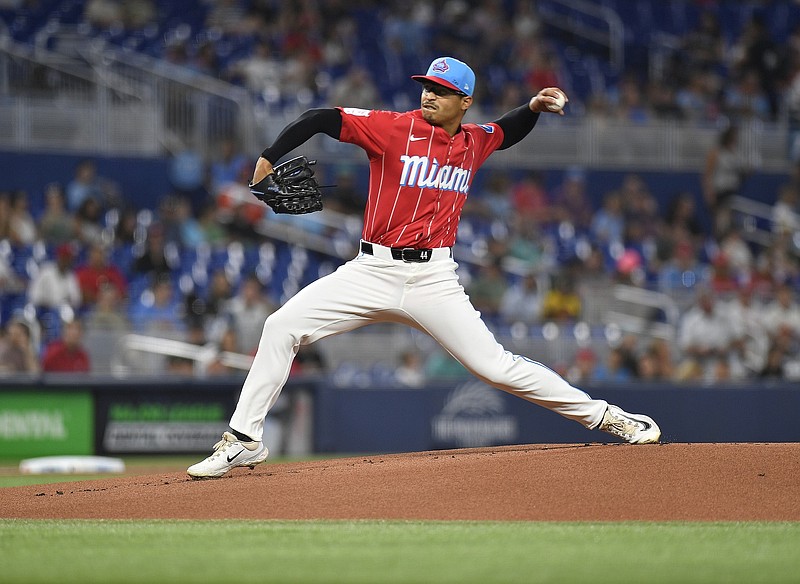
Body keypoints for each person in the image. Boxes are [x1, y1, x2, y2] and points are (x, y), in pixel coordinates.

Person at [187, 56, 661, 479]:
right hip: (370, 271)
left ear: (464, 102)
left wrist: (533, 108)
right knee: (280, 326)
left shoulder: (474, 141)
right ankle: (243, 441)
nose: (429, 94)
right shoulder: (394, 127)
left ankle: (607, 417)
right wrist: (269, 156)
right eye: (427, 86)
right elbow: (321, 118)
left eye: (441, 90)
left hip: (434, 279)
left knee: (496, 368)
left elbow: (506, 131)